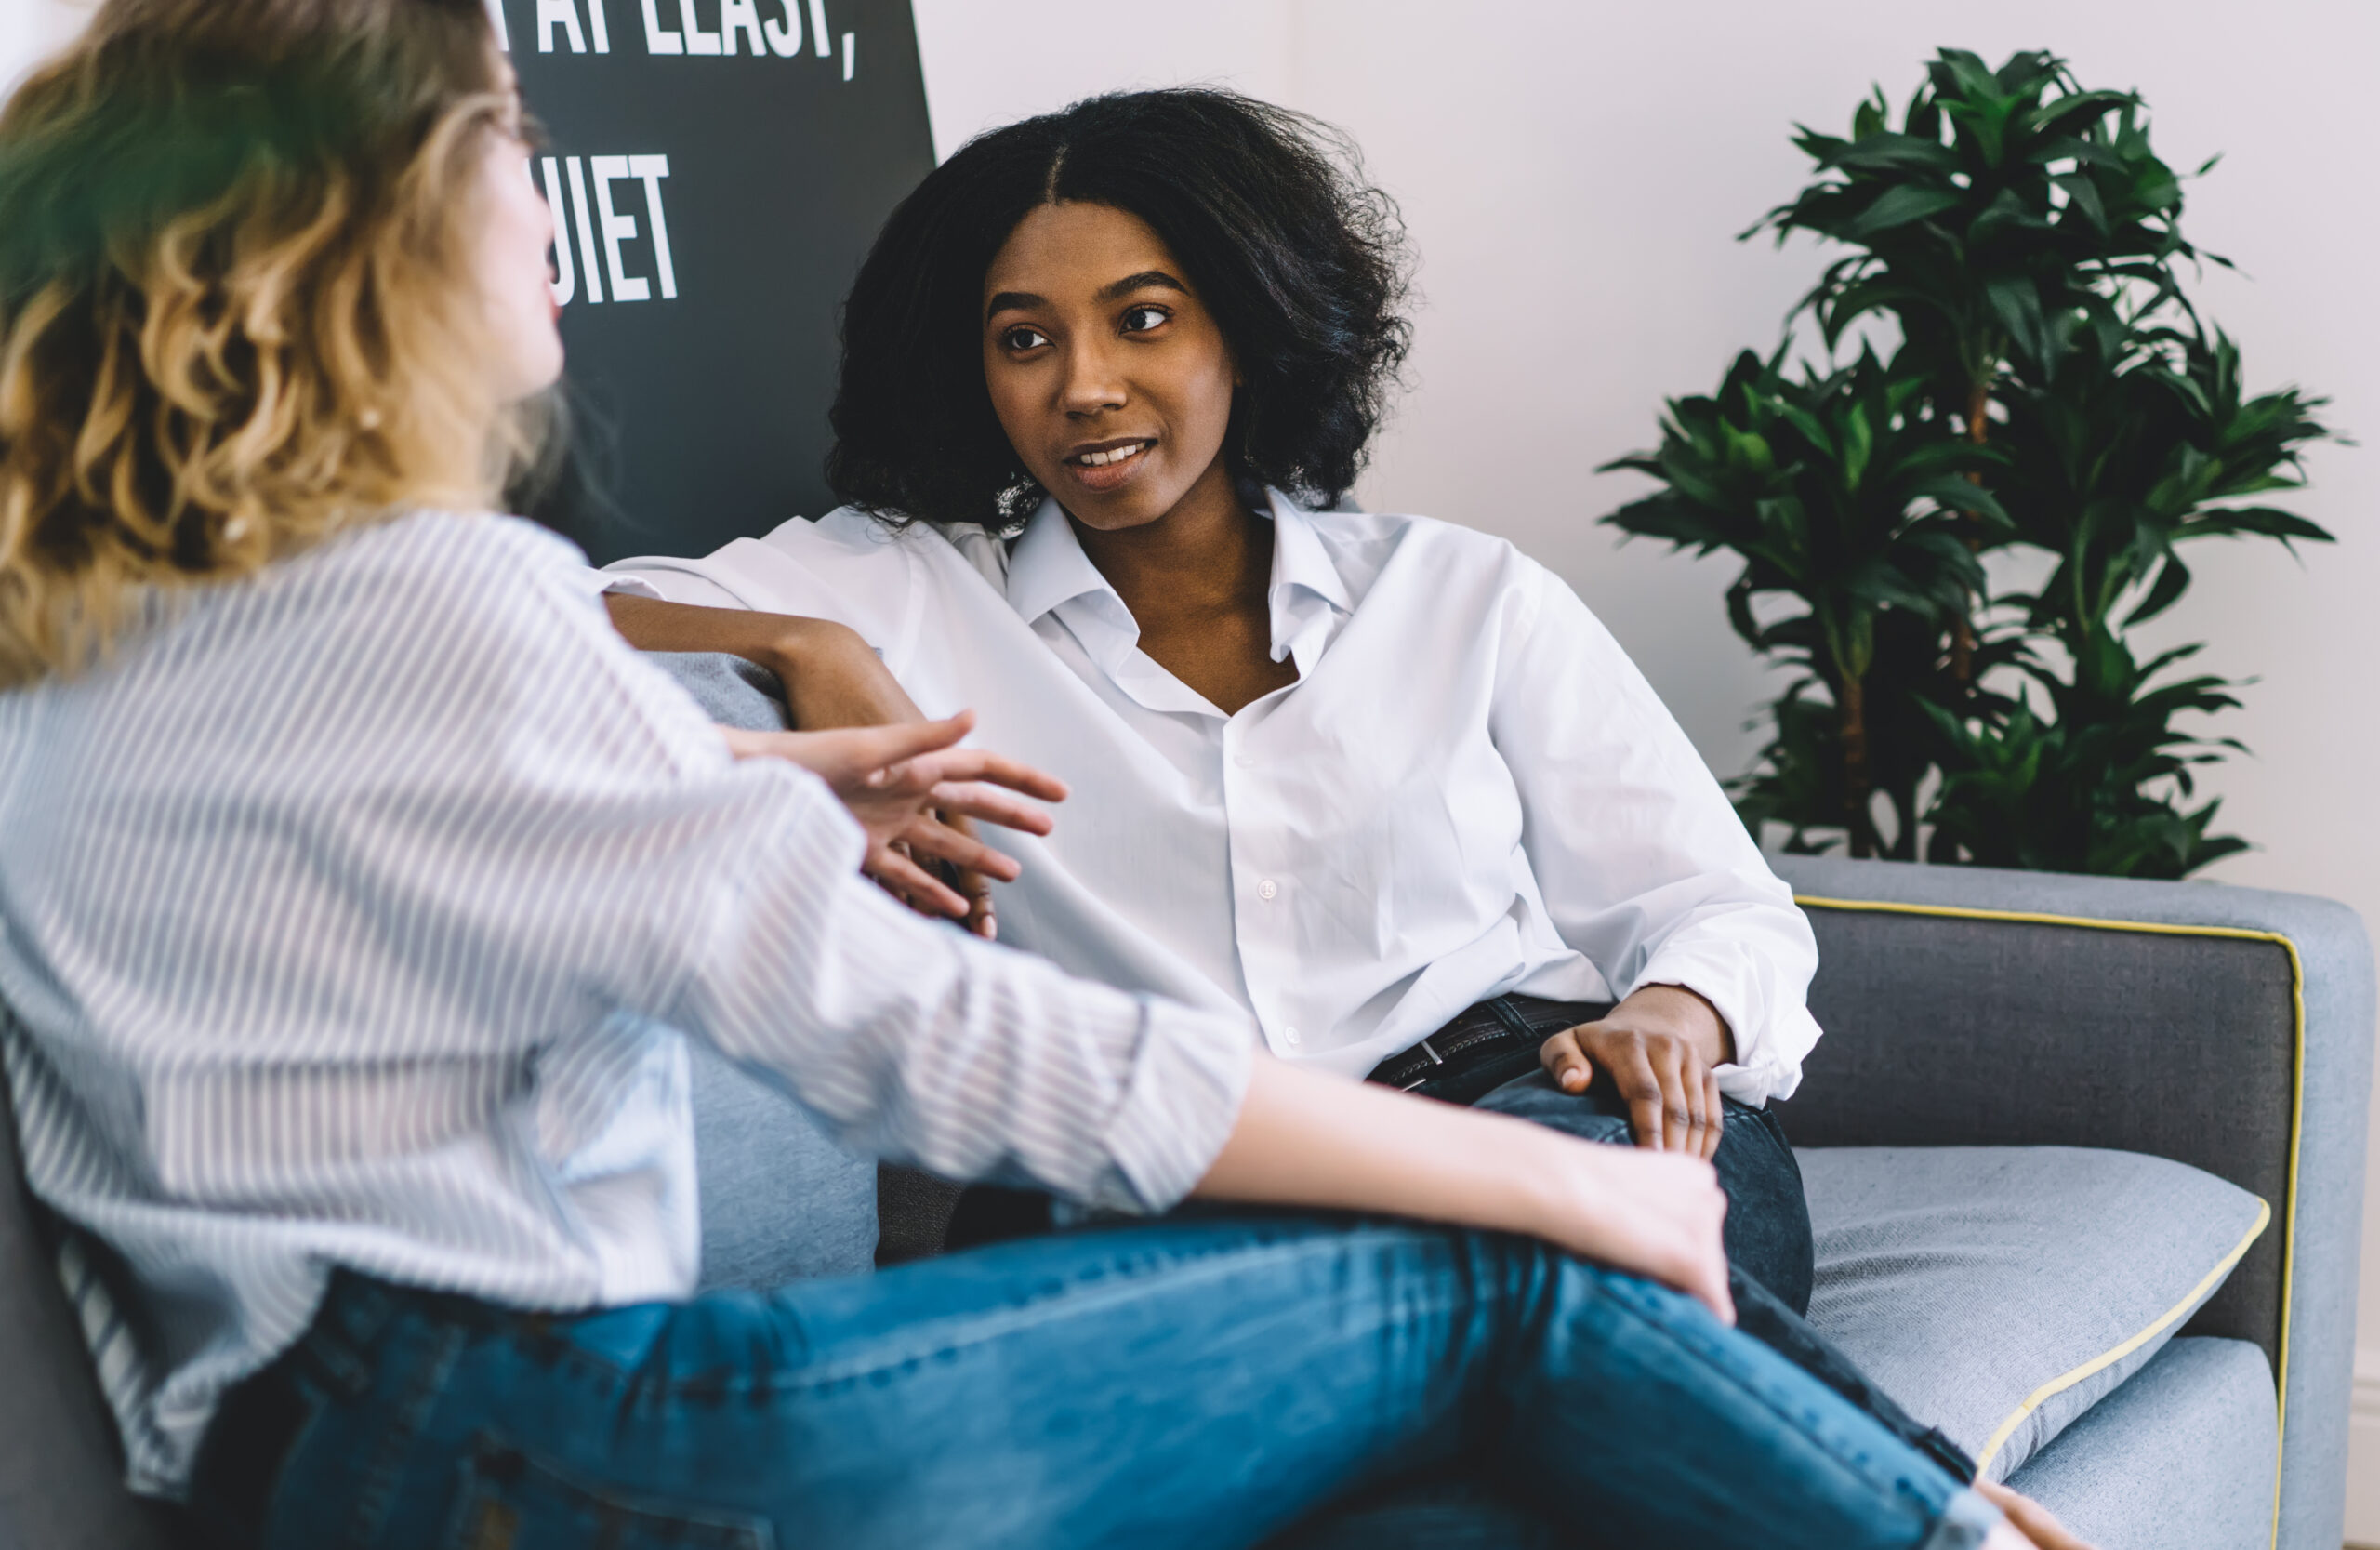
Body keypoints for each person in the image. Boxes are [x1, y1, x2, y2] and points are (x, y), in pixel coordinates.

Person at [0, 6, 2082, 1547]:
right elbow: (941, 1045)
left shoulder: (95, 640)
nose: (544, 206)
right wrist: (1549, 1187)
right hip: (525, 1428)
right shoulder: (431, 602)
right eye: (511, 149)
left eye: (1148, 319)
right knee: (1511, 1292)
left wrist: (752, 790)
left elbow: (397, 898)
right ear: (364, 224)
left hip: (316, 1454)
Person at [599, 88, 1816, 1307]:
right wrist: (804, 641)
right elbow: (530, 609)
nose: (1084, 386)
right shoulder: (909, 591)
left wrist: (1674, 1012)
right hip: (1167, 1175)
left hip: (1521, 1102)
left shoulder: (1463, 594)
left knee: (1611, 1207)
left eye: (1142, 321)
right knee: (1511, 1299)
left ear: (1245, 331)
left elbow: (1721, 904)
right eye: (1025, 339)